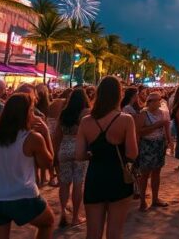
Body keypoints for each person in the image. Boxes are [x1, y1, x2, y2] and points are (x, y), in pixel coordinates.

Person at [0, 93, 55, 239]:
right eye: (32, 110)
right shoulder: (32, 138)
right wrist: (46, 133)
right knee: (47, 222)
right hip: (23, 195)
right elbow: (47, 163)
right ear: (26, 113)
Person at [77, 76, 137, 239]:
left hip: (95, 176)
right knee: (114, 232)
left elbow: (79, 155)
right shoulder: (125, 119)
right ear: (119, 95)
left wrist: (92, 154)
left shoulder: (86, 121)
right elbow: (132, 153)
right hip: (118, 176)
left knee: (93, 233)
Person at [54, 88, 89, 228]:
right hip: (79, 149)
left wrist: (55, 152)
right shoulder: (86, 113)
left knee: (64, 183)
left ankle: (63, 213)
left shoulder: (63, 113)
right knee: (78, 183)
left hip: (64, 148)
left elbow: (57, 135)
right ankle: (75, 217)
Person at [134, 91, 171, 211]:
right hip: (147, 145)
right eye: (155, 100)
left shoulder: (163, 113)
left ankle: (155, 198)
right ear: (149, 102)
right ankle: (143, 200)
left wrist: (168, 141)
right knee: (144, 174)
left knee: (157, 172)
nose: (158, 102)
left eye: (159, 99)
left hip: (159, 144)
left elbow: (166, 128)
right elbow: (139, 131)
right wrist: (156, 125)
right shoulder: (143, 114)